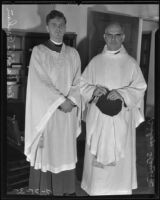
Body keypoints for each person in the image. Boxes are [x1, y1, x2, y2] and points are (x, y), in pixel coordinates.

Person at [80, 22, 147, 195]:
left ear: (123, 37)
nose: (113, 39)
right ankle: (96, 189)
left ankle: (119, 189)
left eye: (117, 35)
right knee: (98, 166)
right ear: (104, 37)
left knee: (119, 164)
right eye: (110, 35)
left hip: (121, 118)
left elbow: (140, 87)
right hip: (99, 118)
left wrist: (123, 94)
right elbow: (81, 85)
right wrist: (94, 90)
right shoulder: (95, 62)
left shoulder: (131, 63)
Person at [24, 10, 81, 196]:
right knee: (48, 153)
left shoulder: (73, 54)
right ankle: (46, 191)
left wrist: (71, 101)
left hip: (68, 114)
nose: (58, 29)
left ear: (65, 27)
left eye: (62, 25)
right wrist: (60, 101)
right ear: (47, 27)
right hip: (47, 114)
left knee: (65, 151)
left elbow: (78, 82)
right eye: (54, 25)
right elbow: (39, 83)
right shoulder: (39, 52)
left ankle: (65, 190)